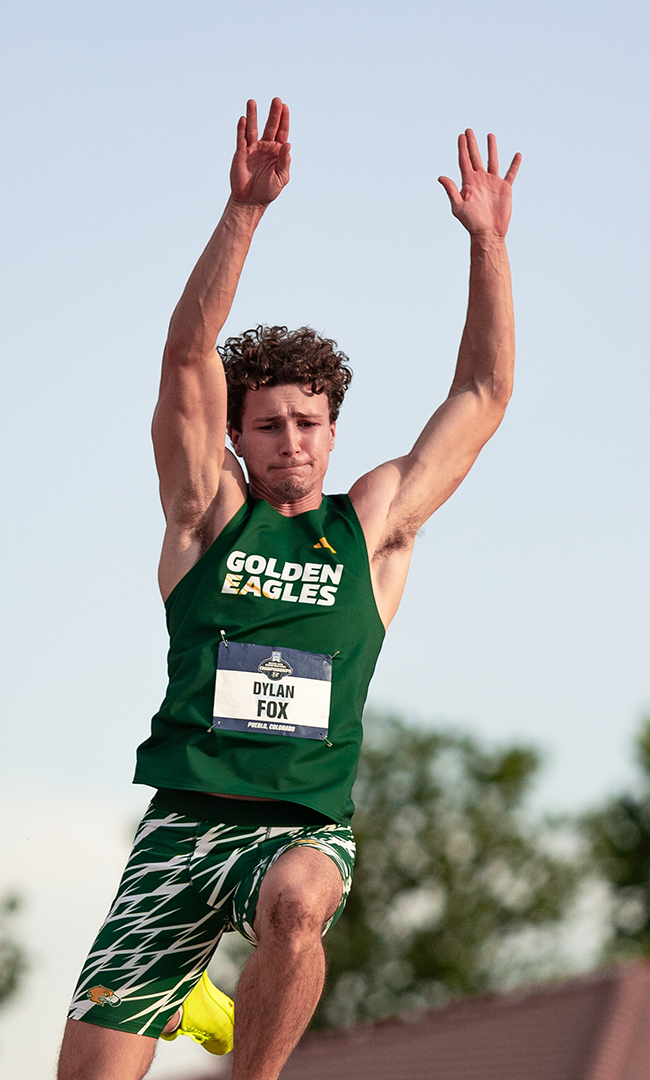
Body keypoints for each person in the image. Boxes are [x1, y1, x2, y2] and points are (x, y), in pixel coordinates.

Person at [56, 98, 522, 1080]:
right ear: (240, 437)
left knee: (299, 908)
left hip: (303, 830)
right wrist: (244, 213)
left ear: (333, 429)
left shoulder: (375, 526)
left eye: (308, 422)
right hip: (182, 826)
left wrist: (487, 245)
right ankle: (185, 991)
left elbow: (482, 397)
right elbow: (186, 362)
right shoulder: (207, 517)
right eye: (268, 426)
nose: (292, 441)